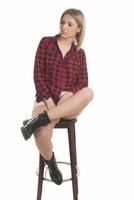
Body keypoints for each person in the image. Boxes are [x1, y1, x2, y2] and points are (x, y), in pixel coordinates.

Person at [21, 8, 93, 185]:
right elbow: (38, 74)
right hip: (45, 99)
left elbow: (83, 82)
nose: (64, 27)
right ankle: (51, 163)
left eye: (70, 24)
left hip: (68, 103)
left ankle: (38, 120)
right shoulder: (46, 43)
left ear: (78, 28)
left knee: (89, 92)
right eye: (62, 22)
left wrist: (67, 96)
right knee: (42, 137)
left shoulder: (80, 54)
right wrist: (49, 100)